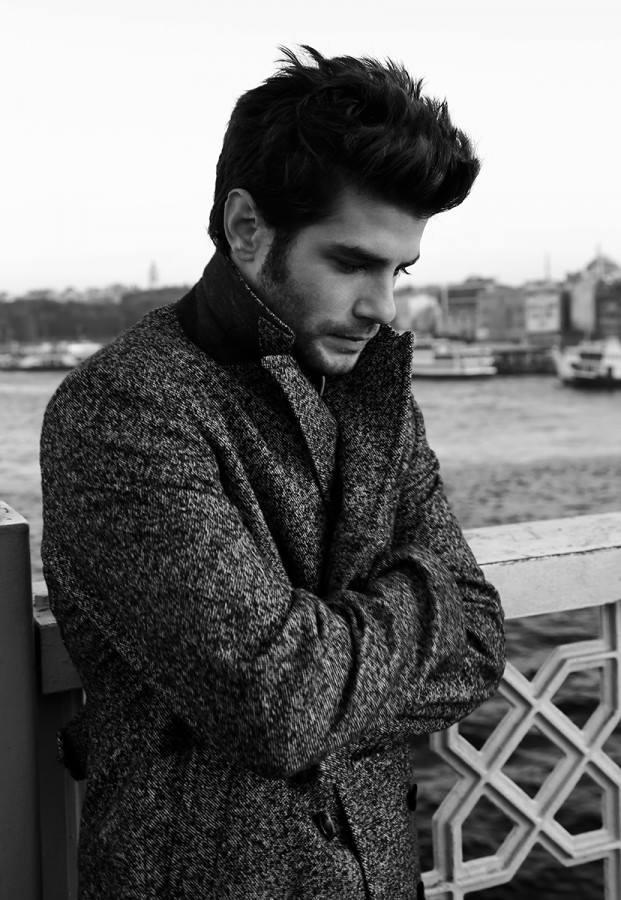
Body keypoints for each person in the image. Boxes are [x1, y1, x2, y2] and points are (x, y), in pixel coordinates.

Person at [40, 45, 505, 900]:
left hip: (381, 873)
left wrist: (326, 665)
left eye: (397, 271)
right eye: (351, 263)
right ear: (247, 229)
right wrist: (424, 592)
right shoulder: (124, 408)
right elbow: (278, 707)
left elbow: (478, 642)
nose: (383, 307)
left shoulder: (372, 393)